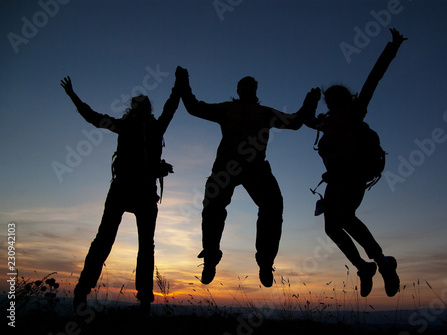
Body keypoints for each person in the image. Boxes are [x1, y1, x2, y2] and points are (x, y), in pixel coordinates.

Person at [175, 66, 320, 287]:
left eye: (251, 86)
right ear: (239, 90)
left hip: (255, 167)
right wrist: (183, 81)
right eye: (244, 86)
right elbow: (194, 107)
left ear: (255, 90)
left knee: (272, 206)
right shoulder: (228, 109)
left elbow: (295, 122)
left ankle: (265, 262)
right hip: (227, 167)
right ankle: (211, 258)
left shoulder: (264, 112)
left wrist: (310, 103)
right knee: (213, 208)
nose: (248, 89)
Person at [60, 76, 180, 313]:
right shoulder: (147, 127)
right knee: (122, 243)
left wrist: (179, 85)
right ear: (140, 109)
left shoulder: (132, 126)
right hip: (134, 191)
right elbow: (93, 118)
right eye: (141, 107)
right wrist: (72, 95)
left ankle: (133, 298)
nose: (142, 110)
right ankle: (86, 292)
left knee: (126, 243)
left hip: (134, 191)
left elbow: (94, 118)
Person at [305, 28, 407, 297]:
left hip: (351, 175)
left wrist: (392, 47)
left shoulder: (354, 112)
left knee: (345, 218)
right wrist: (310, 100)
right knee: (331, 227)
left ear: (342, 99)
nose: (330, 102)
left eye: (331, 99)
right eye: (328, 100)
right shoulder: (326, 123)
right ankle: (365, 267)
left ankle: (383, 263)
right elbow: (304, 120)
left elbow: (373, 79)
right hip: (335, 180)